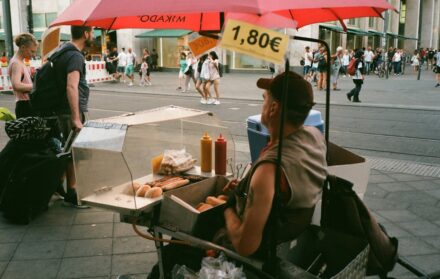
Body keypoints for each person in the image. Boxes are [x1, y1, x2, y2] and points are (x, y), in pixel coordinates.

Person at [147, 71, 328, 278]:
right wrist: (244, 189)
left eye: (264, 99)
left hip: (254, 249)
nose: (263, 105)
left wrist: (227, 208)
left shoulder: (269, 170)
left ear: (274, 108)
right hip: (288, 229)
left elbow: (245, 245)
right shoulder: (314, 136)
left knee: (173, 250)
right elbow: (282, 191)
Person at [41, 25, 94, 207]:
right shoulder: (75, 56)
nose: (92, 35)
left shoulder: (61, 51)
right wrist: (76, 117)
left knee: (66, 148)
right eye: (92, 32)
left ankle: (56, 184)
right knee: (73, 150)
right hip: (68, 110)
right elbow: (71, 86)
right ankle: (72, 192)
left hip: (59, 109)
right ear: (86, 34)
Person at [8, 33, 38, 118]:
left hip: (25, 104)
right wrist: (36, 87)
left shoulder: (19, 61)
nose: (34, 55)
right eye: (32, 51)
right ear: (23, 47)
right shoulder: (16, 63)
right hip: (24, 106)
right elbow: (16, 85)